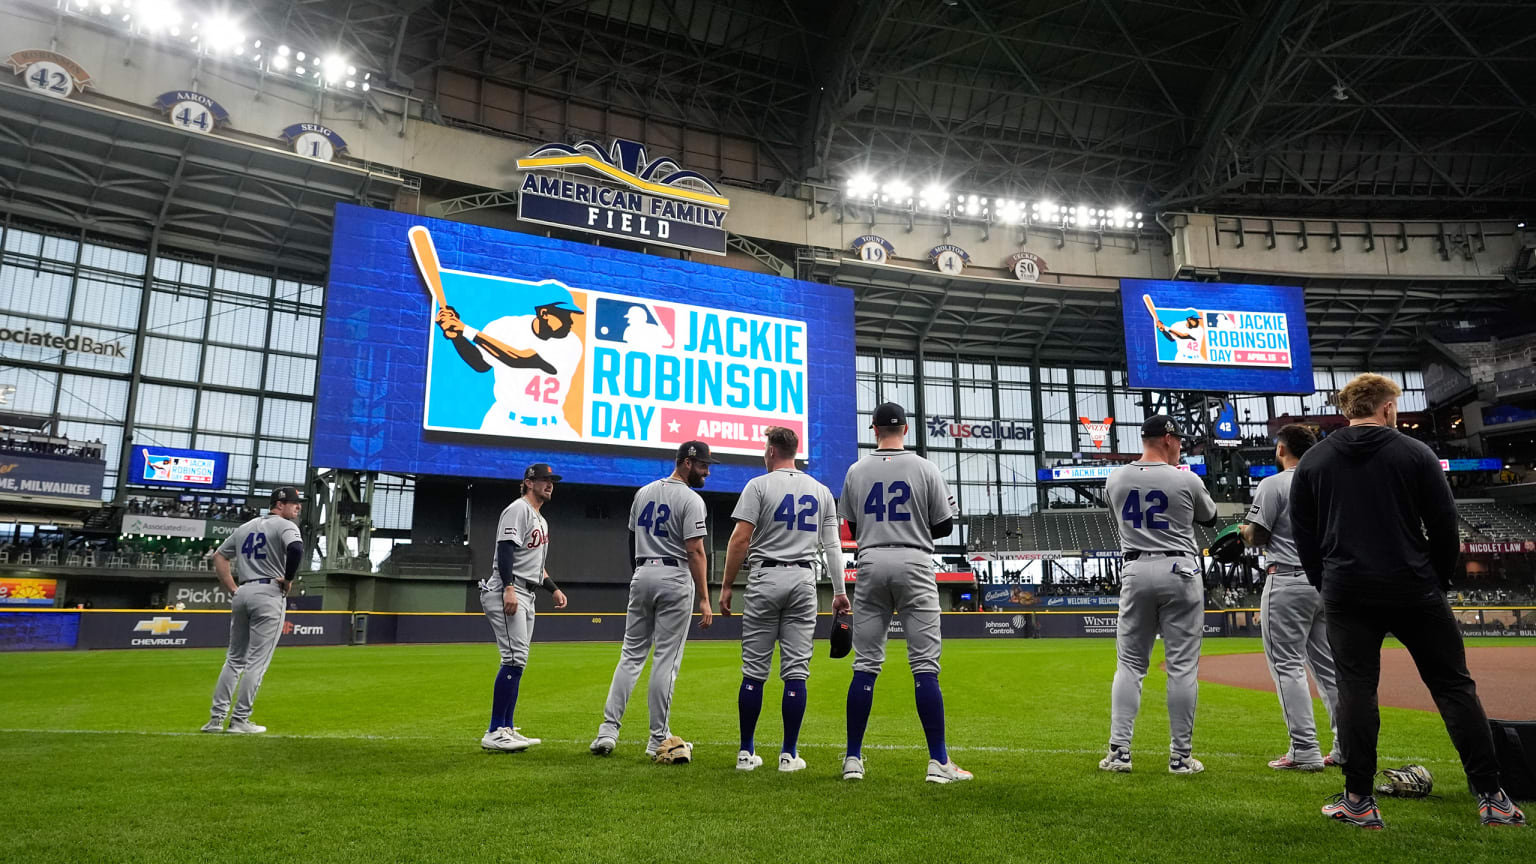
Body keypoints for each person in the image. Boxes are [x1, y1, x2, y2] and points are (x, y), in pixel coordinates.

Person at [1291, 374, 1524, 829]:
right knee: (1454, 686)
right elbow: (1444, 526)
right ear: (1387, 408)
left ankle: (1358, 801)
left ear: (1348, 410)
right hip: (1414, 585)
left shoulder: (1315, 460)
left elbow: (1305, 535)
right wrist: (1436, 579)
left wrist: (1326, 581)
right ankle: (1493, 798)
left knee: (1356, 689)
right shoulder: (1415, 453)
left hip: (1347, 590)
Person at [837, 402, 970, 784]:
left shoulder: (856, 469)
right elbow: (943, 526)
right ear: (906, 429)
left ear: (874, 429)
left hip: (871, 559)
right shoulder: (925, 467)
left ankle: (852, 760)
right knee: (925, 666)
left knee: (865, 664)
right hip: (914, 559)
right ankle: (938, 762)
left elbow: (852, 526)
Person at [718, 426, 847, 773]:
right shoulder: (821, 491)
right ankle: (789, 754)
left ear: (772, 451)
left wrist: (727, 585)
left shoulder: (758, 485)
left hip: (765, 576)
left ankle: (746, 753)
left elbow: (739, 540)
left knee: (754, 671)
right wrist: (839, 592)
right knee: (795, 672)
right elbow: (832, 546)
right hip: (803, 579)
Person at [1099, 416, 1218, 775]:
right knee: (1182, 669)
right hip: (1180, 569)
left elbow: (1115, 514)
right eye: (1178, 439)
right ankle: (1181, 757)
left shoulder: (1116, 478)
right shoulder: (1185, 478)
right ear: (1167, 438)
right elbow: (1210, 517)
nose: (1181, 445)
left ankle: (1119, 753)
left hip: (1135, 568)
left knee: (1129, 666)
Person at [591, 441, 716, 760]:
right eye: (703, 465)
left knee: (630, 656)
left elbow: (631, 539)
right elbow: (695, 551)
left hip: (643, 571)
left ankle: (607, 731)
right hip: (674, 575)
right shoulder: (691, 499)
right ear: (686, 462)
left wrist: (639, 575)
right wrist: (705, 598)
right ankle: (658, 737)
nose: (706, 471)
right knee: (665, 660)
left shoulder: (643, 492)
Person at [1240, 424, 1341, 772]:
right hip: (1326, 582)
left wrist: (1242, 531)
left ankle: (1305, 749)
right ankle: (1346, 747)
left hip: (1287, 579)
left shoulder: (1274, 483)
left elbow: (1257, 535)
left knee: (1287, 666)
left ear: (1282, 449)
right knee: (1329, 670)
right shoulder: (1328, 482)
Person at [478, 464, 569, 753]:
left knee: (518, 661)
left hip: (527, 591)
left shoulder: (540, 519)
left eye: (552, 481)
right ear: (528, 482)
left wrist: (553, 589)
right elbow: (505, 548)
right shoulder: (518, 509)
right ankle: (495, 730)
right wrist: (507, 588)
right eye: (544, 480)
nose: (549, 484)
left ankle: (506, 727)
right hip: (510, 589)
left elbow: (536, 565)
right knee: (513, 658)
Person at [201, 487, 306, 734]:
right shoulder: (285, 525)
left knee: (234, 659)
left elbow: (219, 556)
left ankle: (215, 720)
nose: (298, 506)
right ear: (279, 504)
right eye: (293, 502)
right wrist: (289, 579)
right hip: (268, 592)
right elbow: (296, 549)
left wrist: (233, 588)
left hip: (243, 591)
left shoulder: (245, 527)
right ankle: (239, 720)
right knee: (257, 662)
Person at [434, 285, 584, 438]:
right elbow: (481, 364)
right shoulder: (505, 327)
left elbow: (520, 359)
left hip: (551, 427)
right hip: (502, 422)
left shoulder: (571, 344)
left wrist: (464, 329)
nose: (570, 322)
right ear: (544, 313)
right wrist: (457, 337)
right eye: (564, 316)